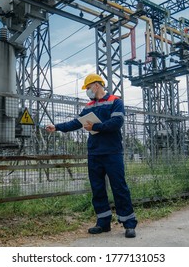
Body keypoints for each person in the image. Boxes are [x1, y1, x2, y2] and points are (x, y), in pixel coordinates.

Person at [46, 73, 137, 238]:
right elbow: (76, 123)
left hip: (112, 152)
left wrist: (96, 126)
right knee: (97, 188)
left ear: (96, 85)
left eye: (88, 88)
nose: (87, 91)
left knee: (119, 187)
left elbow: (117, 123)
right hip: (94, 153)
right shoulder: (88, 106)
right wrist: (57, 127)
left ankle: (129, 224)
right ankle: (103, 223)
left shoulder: (115, 101)